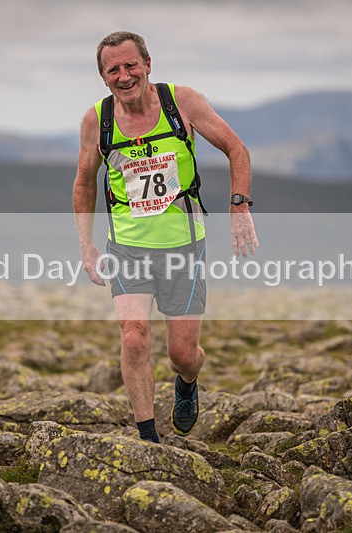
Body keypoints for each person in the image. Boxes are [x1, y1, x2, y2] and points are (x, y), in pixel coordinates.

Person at [73, 31, 258, 443]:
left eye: (130, 65)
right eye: (113, 70)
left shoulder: (182, 103)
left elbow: (237, 149)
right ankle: (148, 439)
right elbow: (84, 183)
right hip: (127, 248)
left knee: (182, 355)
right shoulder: (97, 121)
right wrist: (86, 246)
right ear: (103, 77)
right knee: (134, 337)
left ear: (148, 64)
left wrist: (239, 206)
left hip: (183, 247)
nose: (124, 76)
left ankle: (188, 383)